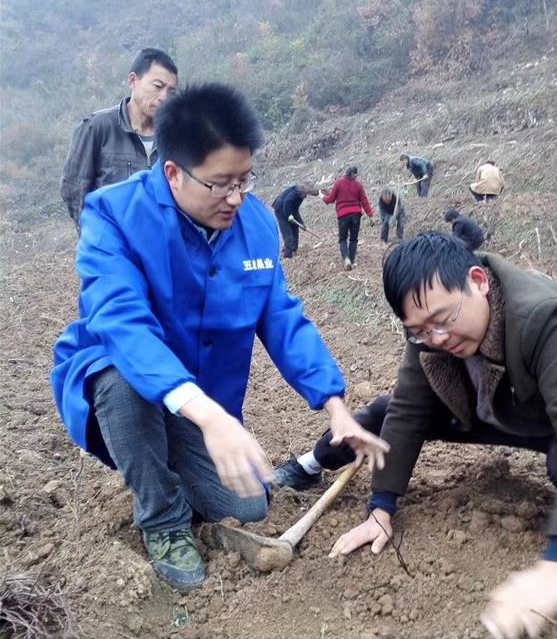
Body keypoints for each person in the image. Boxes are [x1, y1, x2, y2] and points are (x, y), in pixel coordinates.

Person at [51, 84, 389, 593]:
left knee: (248, 505)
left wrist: (336, 407)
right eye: (220, 184)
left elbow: (281, 317)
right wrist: (210, 419)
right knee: (118, 376)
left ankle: (165, 466)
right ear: (173, 173)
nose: (236, 197)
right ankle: (162, 519)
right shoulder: (114, 216)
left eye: (244, 180)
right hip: (128, 381)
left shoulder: (254, 224)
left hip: (201, 405)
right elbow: (123, 324)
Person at [273, 232, 557, 639]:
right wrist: (381, 508)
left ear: (477, 282)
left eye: (443, 320)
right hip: (503, 405)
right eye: (419, 330)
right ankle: (306, 466)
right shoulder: (429, 331)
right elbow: (408, 411)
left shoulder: (544, 317)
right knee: (382, 414)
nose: (437, 338)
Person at [61, 48, 179, 230]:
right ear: (133, 81)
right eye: (157, 86)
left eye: (170, 91)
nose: (164, 97)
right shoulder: (97, 127)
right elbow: (74, 189)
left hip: (160, 244)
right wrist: (96, 236)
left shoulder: (176, 135)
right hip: (109, 242)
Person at [322, 166, 374, 270]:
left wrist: (323, 198)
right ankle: (352, 259)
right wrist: (370, 215)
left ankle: (346, 259)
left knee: (342, 239)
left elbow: (331, 199)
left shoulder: (338, 183)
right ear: (355, 174)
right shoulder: (358, 185)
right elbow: (364, 200)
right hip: (356, 215)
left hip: (343, 215)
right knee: (353, 239)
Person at [271, 182, 319, 258]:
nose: (309, 193)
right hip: (280, 208)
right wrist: (289, 216)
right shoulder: (296, 193)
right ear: (305, 187)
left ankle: (293, 249)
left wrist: (301, 223)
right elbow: (287, 202)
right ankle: (288, 254)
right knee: (287, 231)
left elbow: (295, 209)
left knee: (295, 228)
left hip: (288, 209)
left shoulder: (302, 195)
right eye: (309, 190)